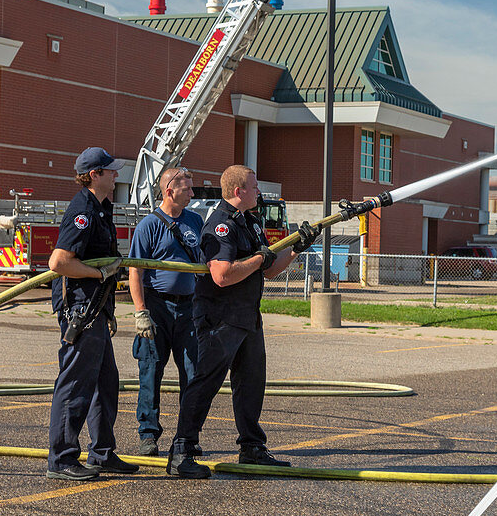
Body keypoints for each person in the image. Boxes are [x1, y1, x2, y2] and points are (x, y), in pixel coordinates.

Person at [166, 164, 318, 478]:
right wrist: (260, 258)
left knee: (251, 384)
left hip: (246, 316)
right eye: (254, 187)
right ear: (239, 191)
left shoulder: (249, 221)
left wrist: (295, 249)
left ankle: (252, 448)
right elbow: (221, 275)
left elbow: (267, 270)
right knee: (205, 383)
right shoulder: (221, 224)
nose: (259, 192)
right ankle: (182, 451)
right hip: (220, 318)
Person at [46, 147, 139, 481]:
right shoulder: (83, 211)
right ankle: (61, 458)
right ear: (95, 175)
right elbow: (59, 262)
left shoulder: (101, 208)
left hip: (95, 308)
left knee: (105, 382)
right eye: (110, 171)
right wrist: (100, 274)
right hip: (80, 310)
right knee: (75, 384)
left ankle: (102, 452)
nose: (116, 176)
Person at [128, 166, 203, 456]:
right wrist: (140, 311)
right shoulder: (149, 225)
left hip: (189, 308)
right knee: (150, 371)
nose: (192, 193)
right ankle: (148, 435)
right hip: (157, 306)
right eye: (187, 188)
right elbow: (135, 271)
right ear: (169, 190)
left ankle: (187, 437)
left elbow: (206, 263)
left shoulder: (195, 221)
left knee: (193, 374)